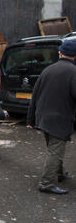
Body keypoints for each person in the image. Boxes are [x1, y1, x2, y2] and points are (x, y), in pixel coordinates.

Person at [27, 40, 76, 195]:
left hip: (43, 117)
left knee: (54, 147)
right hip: (60, 118)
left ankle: (59, 173)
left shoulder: (48, 70)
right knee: (55, 150)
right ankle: (47, 183)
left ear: (60, 53)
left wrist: (31, 119)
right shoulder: (73, 72)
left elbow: (35, 95)